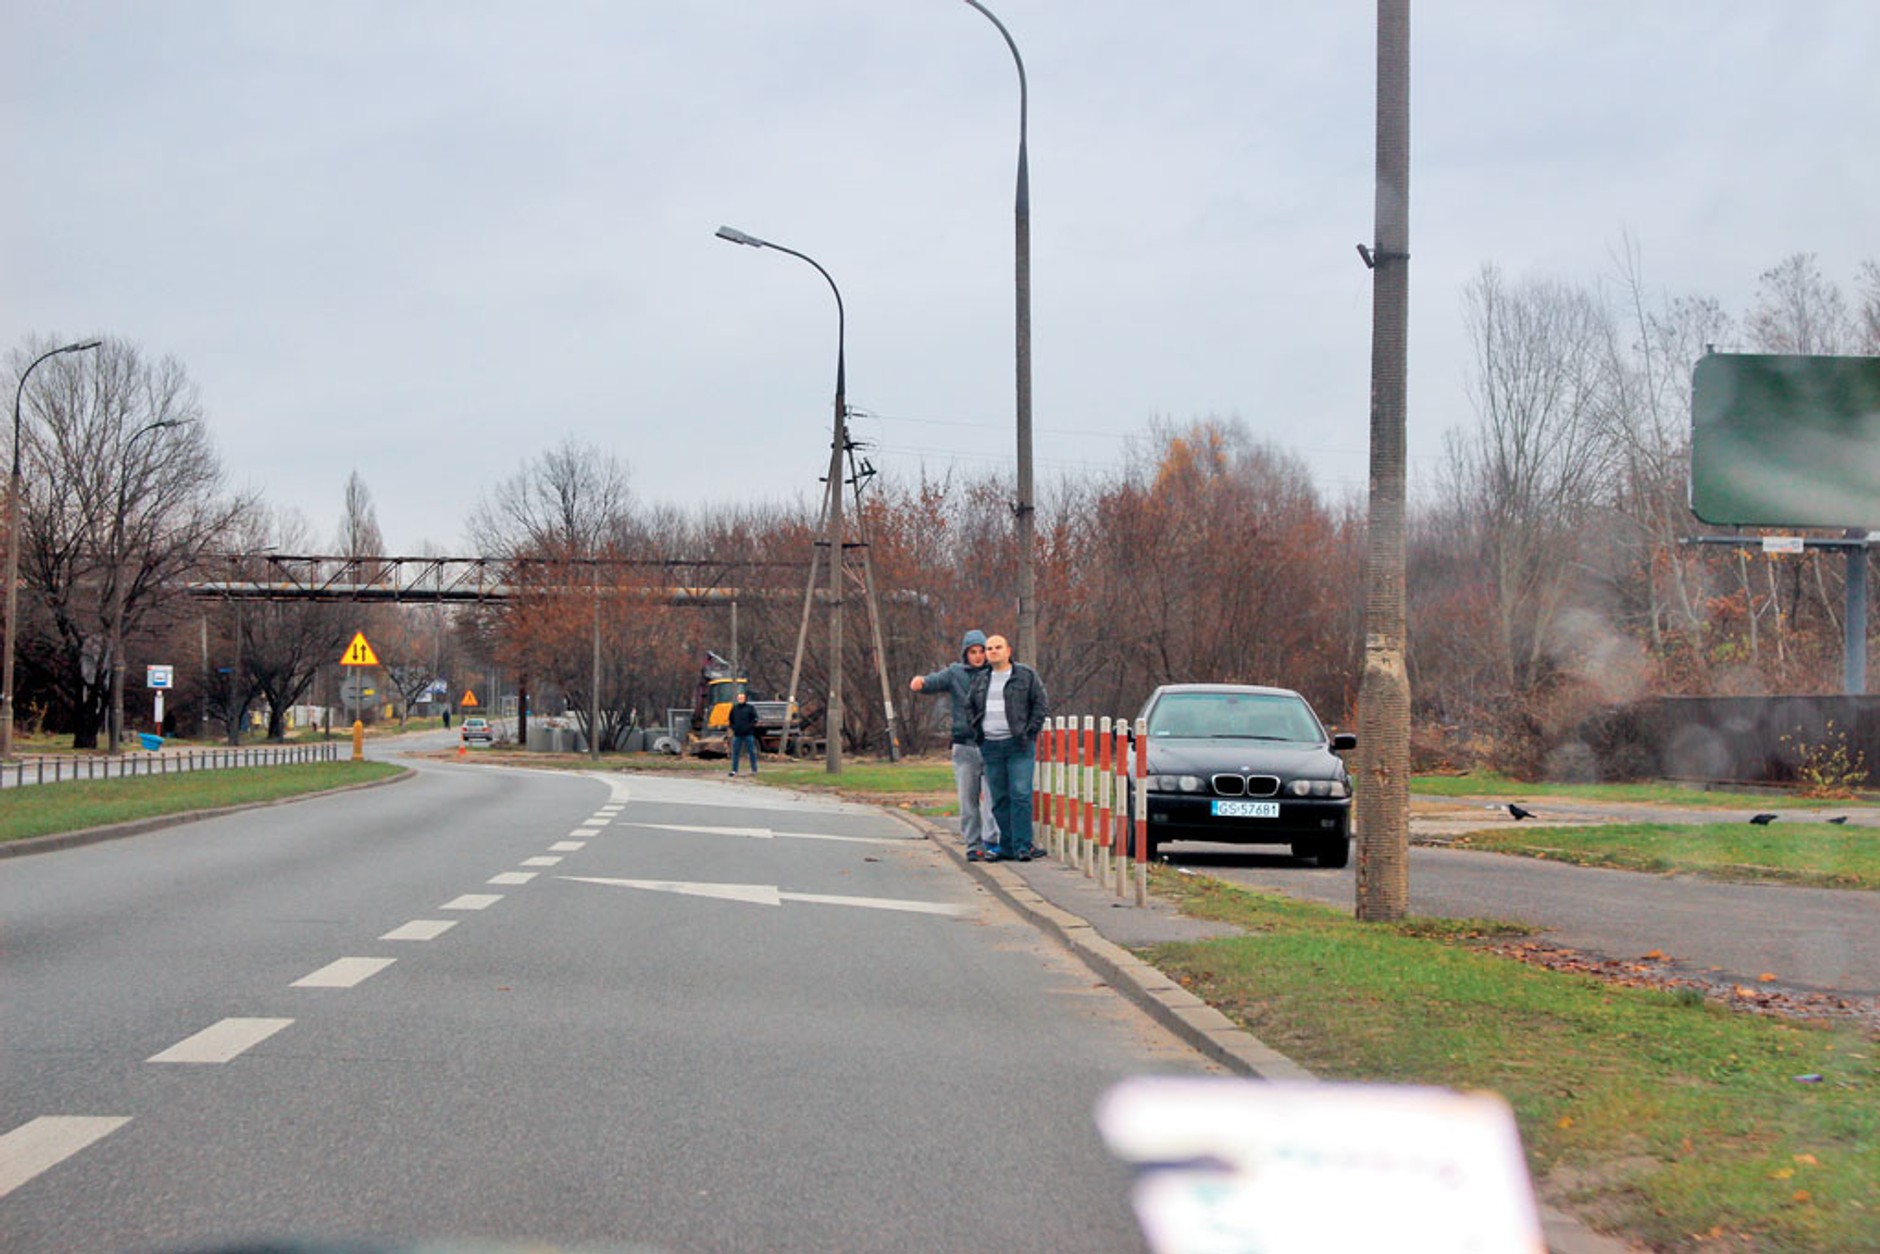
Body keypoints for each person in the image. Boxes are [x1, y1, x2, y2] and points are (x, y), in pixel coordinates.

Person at [910, 629, 1001, 861]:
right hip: (965, 745)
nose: (978, 657)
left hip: (991, 744)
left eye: (982, 652)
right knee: (968, 799)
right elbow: (933, 682)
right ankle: (973, 844)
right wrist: (920, 682)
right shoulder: (955, 674)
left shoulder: (997, 674)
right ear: (966, 654)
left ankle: (992, 841)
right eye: (973, 652)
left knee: (992, 798)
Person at [966, 634, 1049, 862]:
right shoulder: (981, 679)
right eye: (989, 648)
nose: (993, 652)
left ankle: (1023, 845)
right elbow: (970, 706)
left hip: (1019, 745)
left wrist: (1028, 733)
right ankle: (1007, 845)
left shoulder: (1025, 676)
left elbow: (1040, 705)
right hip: (990, 746)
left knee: (1020, 794)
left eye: (998, 647)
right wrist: (978, 733)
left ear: (1008, 651)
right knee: (1000, 797)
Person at [727, 690, 761, 776]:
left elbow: (755, 719)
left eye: (742, 698)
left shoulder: (750, 708)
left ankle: (754, 770)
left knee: (752, 752)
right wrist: (734, 728)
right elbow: (730, 720)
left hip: (748, 734)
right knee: (735, 753)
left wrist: (750, 727)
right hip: (737, 734)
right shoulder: (734, 708)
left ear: (745, 699)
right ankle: (734, 770)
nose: (740, 699)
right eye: (739, 698)